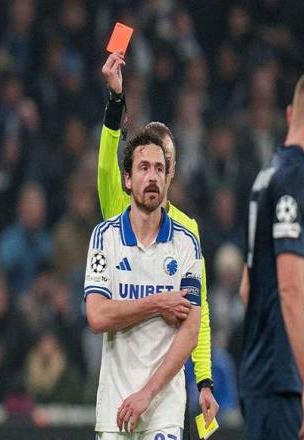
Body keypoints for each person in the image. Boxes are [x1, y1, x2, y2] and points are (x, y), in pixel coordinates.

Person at [99, 52, 219, 428]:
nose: (154, 171)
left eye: (163, 161)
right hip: (121, 380)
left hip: (165, 388)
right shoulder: (119, 211)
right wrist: (116, 101)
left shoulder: (187, 230)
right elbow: (105, 166)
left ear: (172, 171)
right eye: (146, 163)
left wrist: (204, 380)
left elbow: (199, 311)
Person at [238, 70, 304, 440]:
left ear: (289, 114)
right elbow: (291, 288)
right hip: (280, 381)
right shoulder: (294, 183)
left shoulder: (266, 175)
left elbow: (247, 287)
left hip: (258, 376)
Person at [84, 130, 202, 438]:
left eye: (159, 169)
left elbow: (191, 330)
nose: (152, 177)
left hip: (163, 409)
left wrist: (147, 394)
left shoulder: (186, 243)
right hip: (115, 407)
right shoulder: (104, 238)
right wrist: (158, 303)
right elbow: (96, 316)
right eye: (144, 168)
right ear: (127, 179)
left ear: (167, 178)